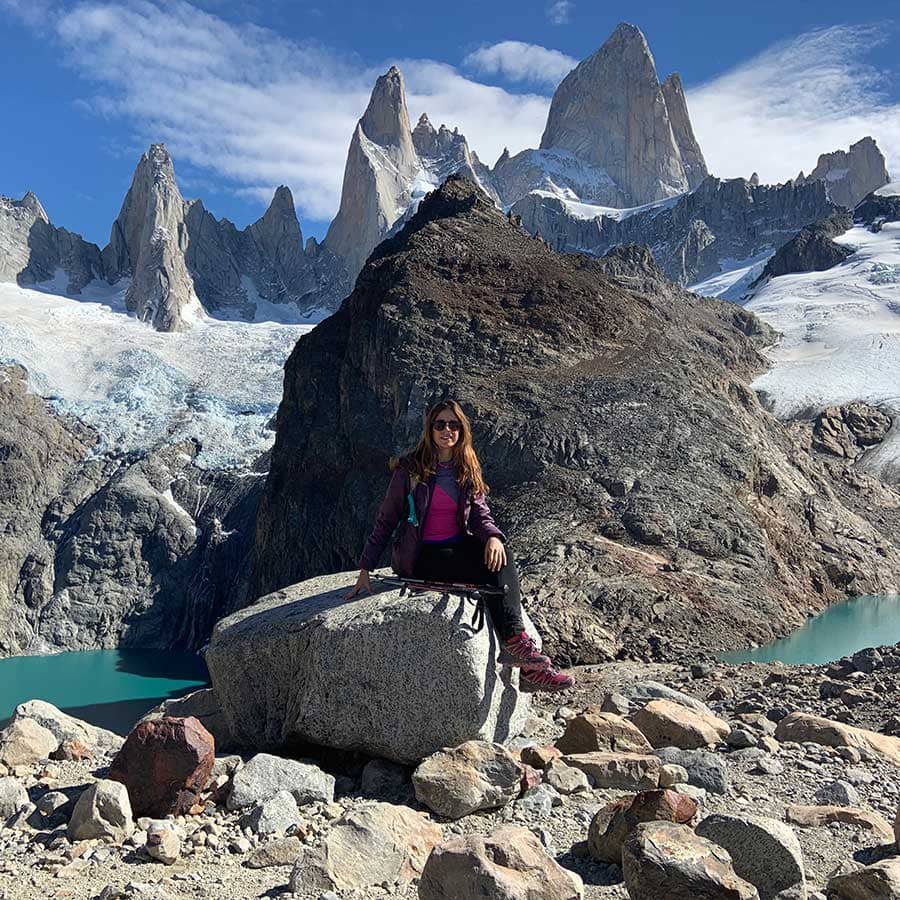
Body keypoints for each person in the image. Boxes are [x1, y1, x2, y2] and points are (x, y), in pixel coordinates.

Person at [345, 399, 574, 692]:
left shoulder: (465, 468)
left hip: (455, 548)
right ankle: (524, 656)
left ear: (461, 430)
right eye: (440, 424)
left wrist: (493, 537)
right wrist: (365, 568)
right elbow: (386, 520)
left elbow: (480, 515)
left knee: (502, 556)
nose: (447, 430)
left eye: (453, 425)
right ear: (430, 429)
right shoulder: (410, 470)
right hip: (421, 556)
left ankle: (521, 652)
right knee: (490, 575)